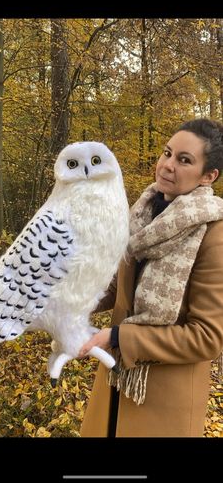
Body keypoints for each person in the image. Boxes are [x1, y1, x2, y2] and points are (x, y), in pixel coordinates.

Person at [79, 118, 223, 437]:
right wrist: (68, 305)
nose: (168, 165)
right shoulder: (143, 214)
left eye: (184, 160)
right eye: (167, 153)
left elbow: (207, 337)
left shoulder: (214, 234)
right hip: (115, 384)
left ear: (208, 176)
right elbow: (119, 285)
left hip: (162, 404)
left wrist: (119, 338)